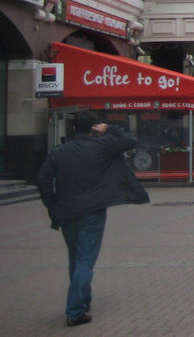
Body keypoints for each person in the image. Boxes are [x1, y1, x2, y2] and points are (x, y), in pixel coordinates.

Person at [35, 111, 150, 327]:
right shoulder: (102, 146)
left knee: (76, 257)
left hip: (67, 211)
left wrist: (51, 203)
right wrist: (110, 129)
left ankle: (83, 301)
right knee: (85, 259)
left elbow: (42, 178)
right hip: (93, 210)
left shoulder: (59, 151)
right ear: (93, 128)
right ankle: (75, 310)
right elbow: (129, 141)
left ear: (73, 128)